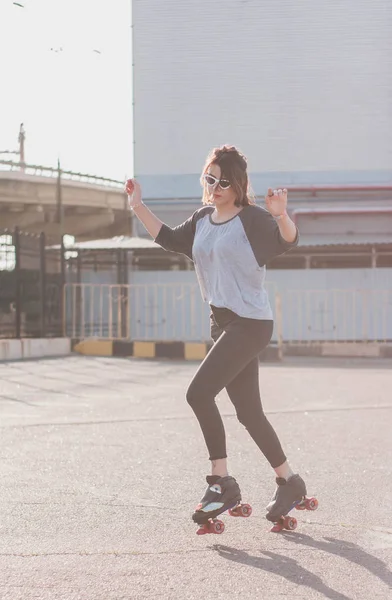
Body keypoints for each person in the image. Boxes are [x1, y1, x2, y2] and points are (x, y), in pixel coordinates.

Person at [125, 145, 308, 527]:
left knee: (198, 393)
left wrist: (282, 216)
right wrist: (137, 205)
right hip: (224, 324)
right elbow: (170, 238)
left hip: (250, 323)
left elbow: (287, 241)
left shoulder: (253, 219)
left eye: (224, 181)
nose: (216, 186)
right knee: (249, 414)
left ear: (238, 184)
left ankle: (221, 482)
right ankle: (289, 480)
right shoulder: (203, 219)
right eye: (210, 179)